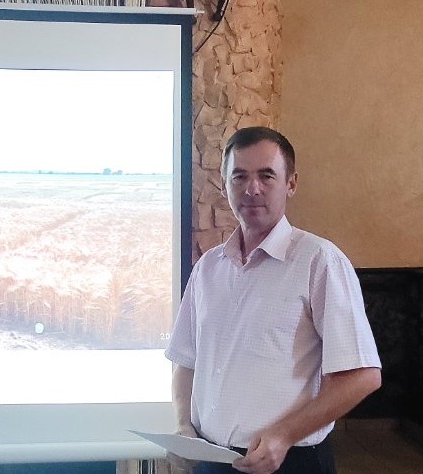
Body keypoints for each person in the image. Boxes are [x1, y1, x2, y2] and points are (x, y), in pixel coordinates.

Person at [164, 126, 382, 474]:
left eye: (266, 175)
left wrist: (284, 435)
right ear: (224, 185)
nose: (252, 189)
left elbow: (363, 375)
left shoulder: (319, 261)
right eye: (239, 176)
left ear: (291, 183)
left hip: (290, 461)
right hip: (210, 459)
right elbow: (186, 361)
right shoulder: (208, 268)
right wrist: (182, 426)